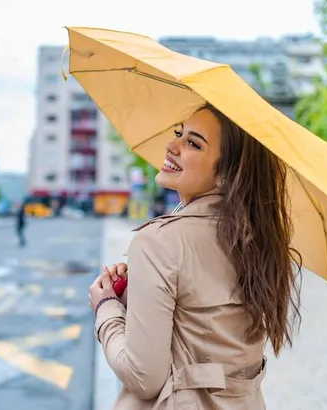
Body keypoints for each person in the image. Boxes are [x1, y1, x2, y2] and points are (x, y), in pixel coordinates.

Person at [88, 103, 302, 409]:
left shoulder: (160, 242)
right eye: (179, 133)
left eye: (192, 143)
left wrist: (107, 309)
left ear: (226, 172)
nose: (171, 146)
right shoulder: (260, 243)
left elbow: (143, 377)